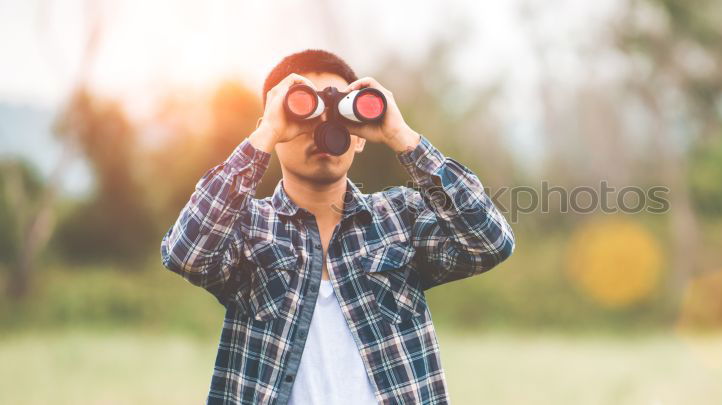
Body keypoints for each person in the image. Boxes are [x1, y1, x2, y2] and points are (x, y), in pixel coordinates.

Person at [160, 49, 515, 405]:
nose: (322, 130)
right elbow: (186, 253)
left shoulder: (399, 218)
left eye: (339, 114)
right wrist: (266, 133)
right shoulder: (250, 228)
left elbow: (490, 242)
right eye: (303, 110)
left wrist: (401, 135)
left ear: (358, 137)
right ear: (275, 127)